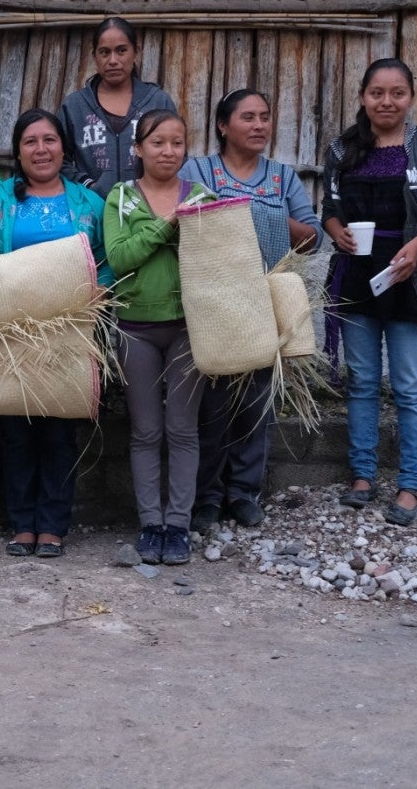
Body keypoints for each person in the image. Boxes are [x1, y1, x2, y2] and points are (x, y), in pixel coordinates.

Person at [0, 109, 112, 558]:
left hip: (69, 334)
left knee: (59, 432)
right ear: (17, 151)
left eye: (49, 140)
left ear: (64, 148)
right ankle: (22, 524)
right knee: (16, 429)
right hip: (12, 334)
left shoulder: (88, 204)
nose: (41, 150)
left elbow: (108, 259)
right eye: (30, 142)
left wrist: (99, 288)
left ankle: (54, 526)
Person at [322, 58, 417, 527]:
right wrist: (336, 230)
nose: (387, 101)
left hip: (411, 279)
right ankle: (362, 476)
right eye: (377, 92)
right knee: (362, 382)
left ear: (411, 97)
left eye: (397, 92)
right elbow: (330, 206)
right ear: (363, 96)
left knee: (407, 386)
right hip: (358, 280)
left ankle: (411, 484)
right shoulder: (343, 149)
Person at [179, 89, 322, 531]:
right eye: (248, 117)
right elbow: (182, 220)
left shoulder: (283, 178)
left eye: (265, 117)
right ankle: (206, 498)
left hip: (262, 300)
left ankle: (243, 493)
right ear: (223, 125)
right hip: (213, 301)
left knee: (258, 398)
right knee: (212, 403)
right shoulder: (199, 170)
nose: (259, 125)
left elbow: (313, 237)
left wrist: (262, 216)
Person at [104, 110, 214, 566]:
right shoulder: (121, 198)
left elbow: (214, 256)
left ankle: (179, 526)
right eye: (157, 143)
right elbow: (120, 256)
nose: (168, 151)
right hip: (135, 328)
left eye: (176, 143)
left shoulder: (203, 196)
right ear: (138, 149)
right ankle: (151, 524)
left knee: (183, 430)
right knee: (147, 430)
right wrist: (168, 225)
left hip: (190, 326)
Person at [59, 17, 178, 194]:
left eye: (121, 51)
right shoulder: (75, 106)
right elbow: (59, 159)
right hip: (93, 209)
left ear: (136, 52)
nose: (113, 60)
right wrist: (88, 185)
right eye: (105, 52)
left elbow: (177, 152)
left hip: (148, 209)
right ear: (95, 56)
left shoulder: (158, 101)